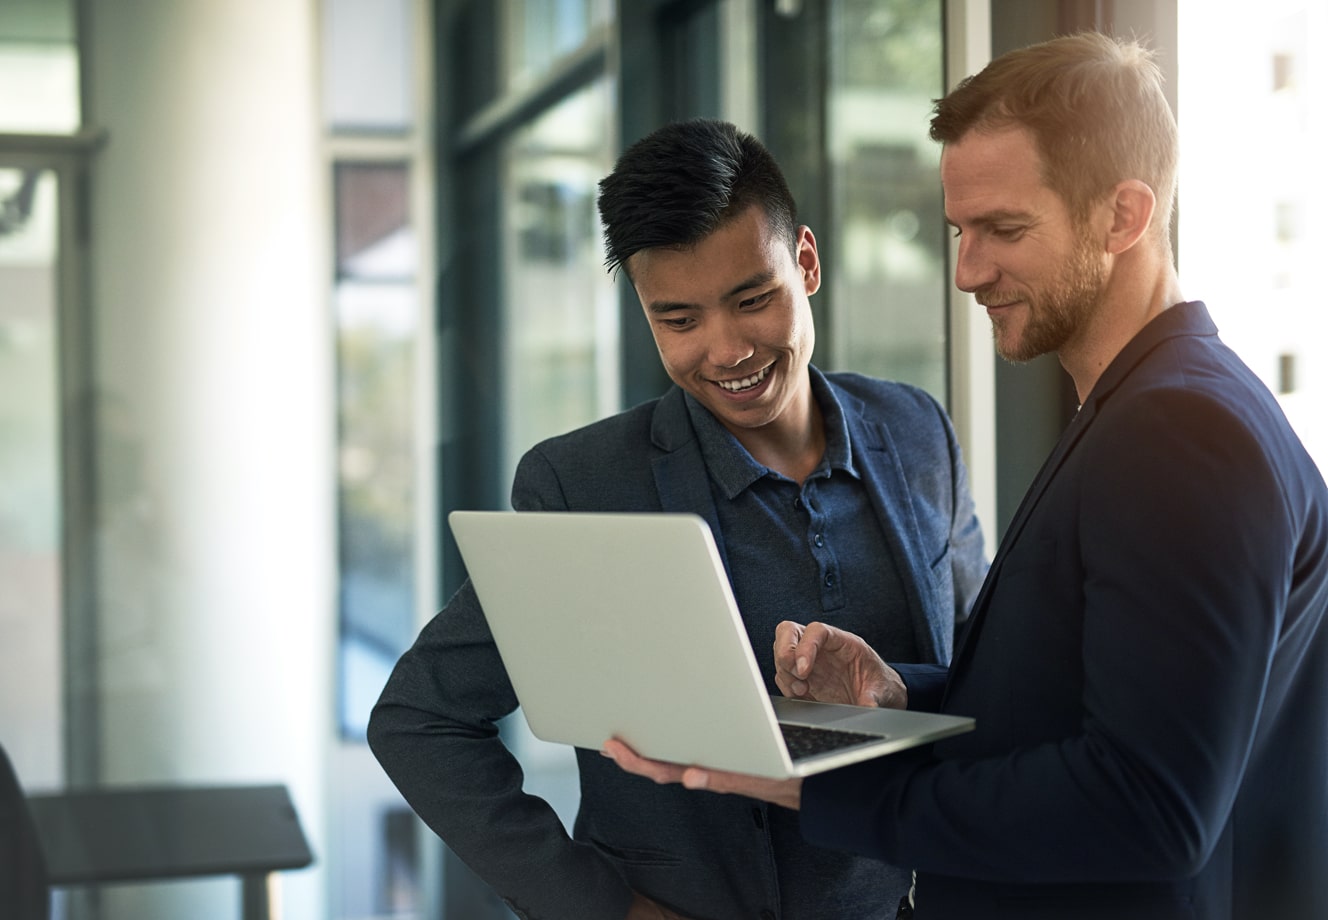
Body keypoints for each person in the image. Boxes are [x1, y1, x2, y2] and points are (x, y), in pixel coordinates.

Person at [605, 32, 1328, 920]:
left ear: (1124, 216)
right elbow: (1105, 701)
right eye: (959, 231)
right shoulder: (1149, 408)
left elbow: (1150, 804)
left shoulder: (1177, 432)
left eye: (1004, 230)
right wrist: (899, 694)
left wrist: (817, 788)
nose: (967, 271)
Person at [368, 118, 988, 920]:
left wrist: (898, 693)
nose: (725, 350)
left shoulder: (916, 432)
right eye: (680, 319)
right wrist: (605, 909)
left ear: (805, 262)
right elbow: (421, 718)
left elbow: (986, 679)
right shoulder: (585, 486)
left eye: (752, 300)